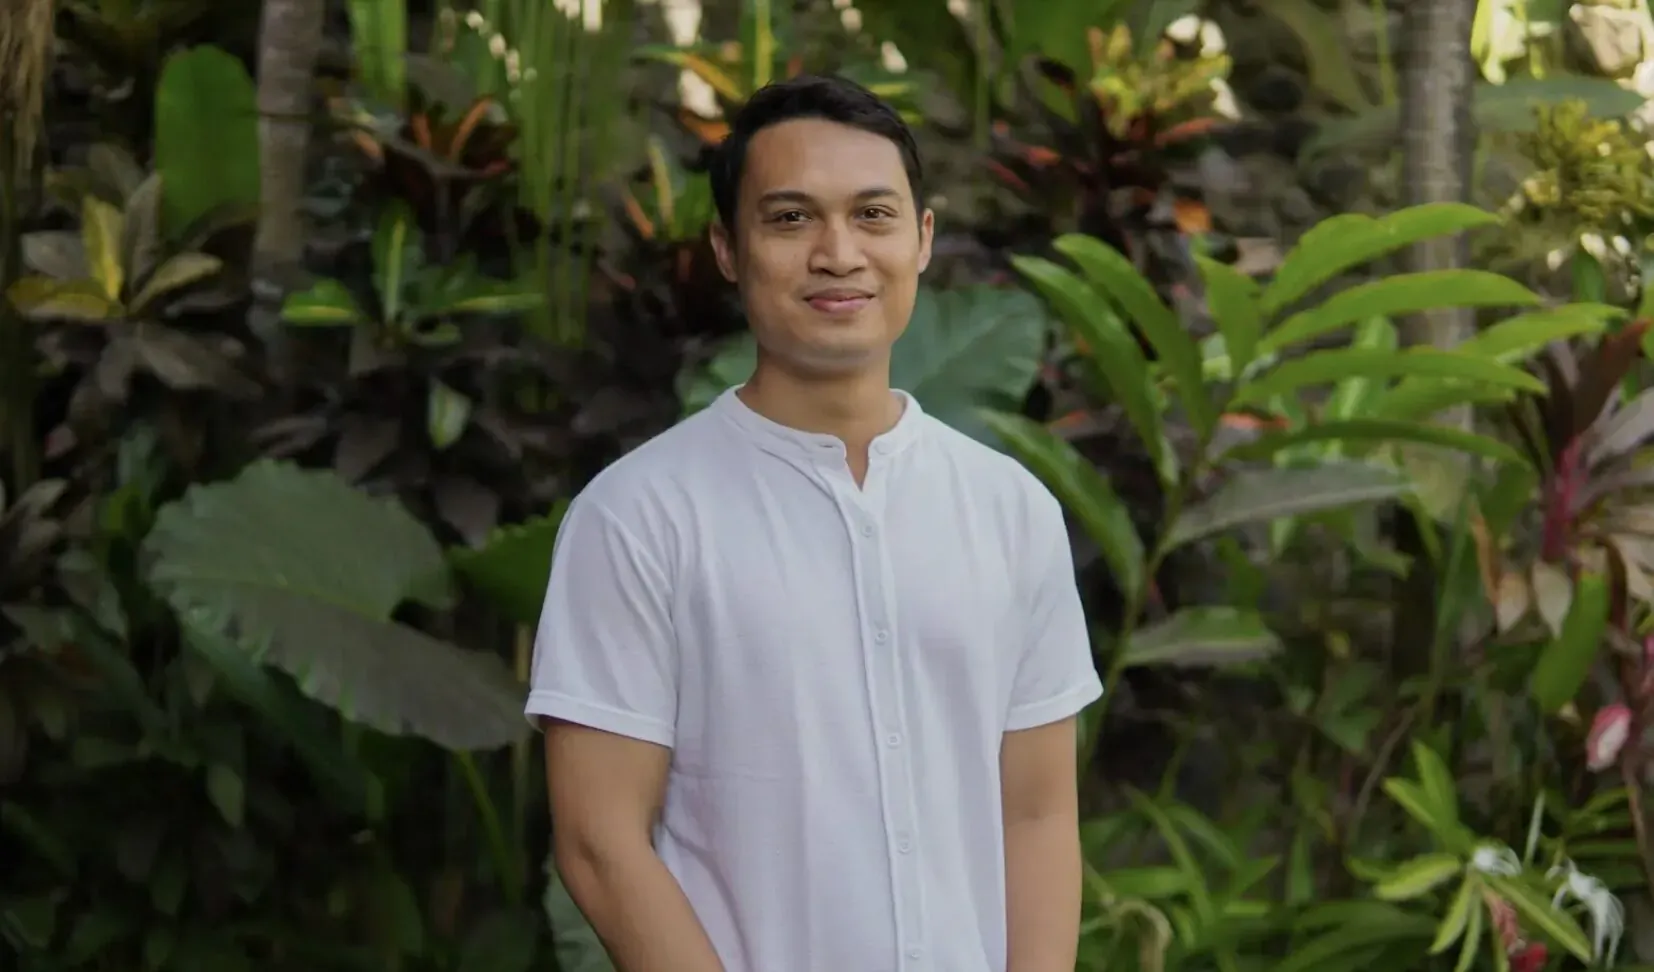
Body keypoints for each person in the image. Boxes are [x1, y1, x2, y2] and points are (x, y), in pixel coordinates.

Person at [526, 73, 1103, 972]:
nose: (839, 253)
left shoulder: (1009, 507)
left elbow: (1035, 812)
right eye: (791, 219)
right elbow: (601, 843)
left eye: (873, 215)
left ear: (922, 239)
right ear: (727, 246)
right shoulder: (637, 516)